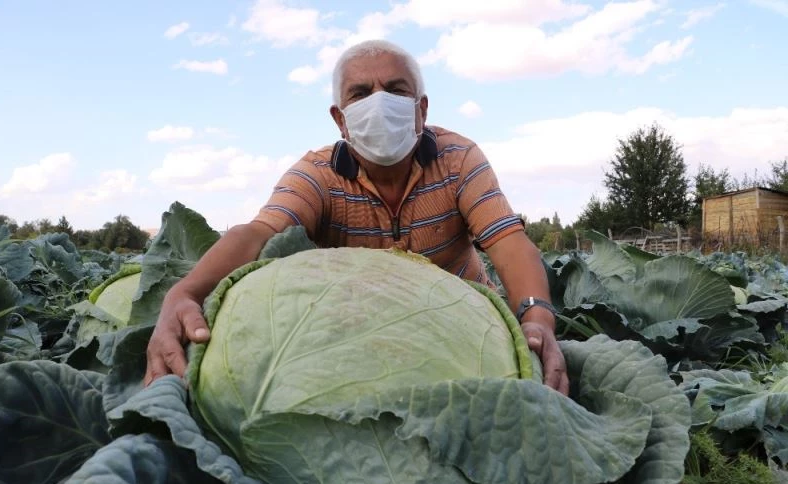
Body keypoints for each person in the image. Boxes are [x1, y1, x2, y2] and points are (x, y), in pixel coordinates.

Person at [144, 40, 569, 396]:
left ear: (421, 109)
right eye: (361, 93)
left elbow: (508, 241)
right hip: (364, 339)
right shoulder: (318, 176)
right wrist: (185, 292)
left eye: (396, 90)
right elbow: (259, 233)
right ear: (340, 118)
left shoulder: (458, 159)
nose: (379, 103)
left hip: (468, 332)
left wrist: (536, 319)